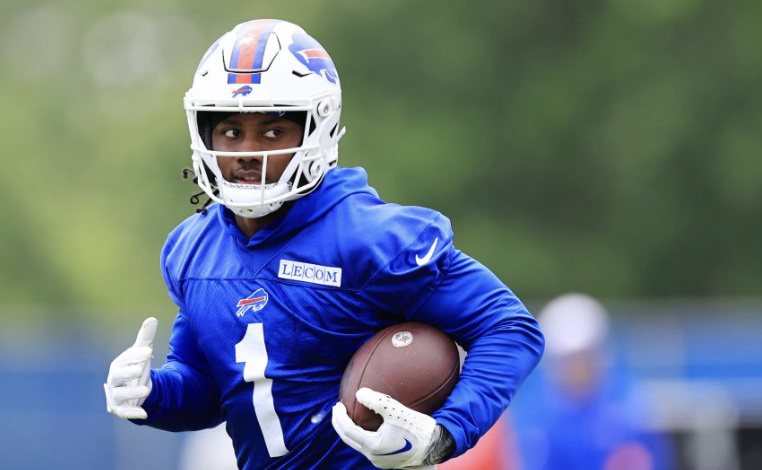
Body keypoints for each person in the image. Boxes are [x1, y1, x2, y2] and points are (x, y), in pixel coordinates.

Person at [103, 19, 544, 470]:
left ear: (318, 128)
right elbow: (210, 390)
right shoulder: (193, 249)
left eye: (273, 131)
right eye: (231, 131)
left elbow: (509, 329)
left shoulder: (370, 239)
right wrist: (153, 394)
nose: (248, 151)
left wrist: (444, 433)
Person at [511, 293, 674, 470]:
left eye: (584, 358)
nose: (577, 368)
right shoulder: (534, 416)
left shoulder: (630, 408)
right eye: (569, 360)